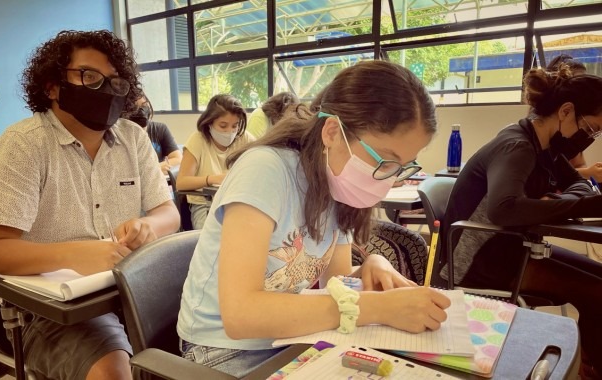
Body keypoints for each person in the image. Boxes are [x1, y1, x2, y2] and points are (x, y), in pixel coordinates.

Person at [177, 61, 449, 378]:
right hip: (224, 351)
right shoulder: (265, 170)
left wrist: (371, 267)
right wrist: (378, 307)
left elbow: (338, 283)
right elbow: (241, 314)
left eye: (401, 166)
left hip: (291, 337)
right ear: (332, 132)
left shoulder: (334, 181)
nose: (388, 179)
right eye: (384, 161)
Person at [0, 30, 180, 380]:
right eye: (88, 76)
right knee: (114, 371)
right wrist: (73, 254)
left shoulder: (133, 138)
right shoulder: (23, 146)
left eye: (115, 82)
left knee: (204, 345)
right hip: (52, 312)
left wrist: (150, 226)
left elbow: (169, 214)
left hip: (134, 290)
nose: (103, 89)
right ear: (52, 86)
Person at [442, 64, 602, 377]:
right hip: (479, 262)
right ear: (566, 111)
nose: (591, 138)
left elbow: (580, 186)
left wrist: (559, 202)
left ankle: (590, 367)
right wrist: (574, 205)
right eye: (592, 128)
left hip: (514, 248)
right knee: (597, 292)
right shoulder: (518, 146)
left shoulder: (546, 149)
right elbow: (503, 210)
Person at [175, 94, 254, 229]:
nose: (230, 131)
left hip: (237, 202)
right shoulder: (198, 140)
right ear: (209, 122)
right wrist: (213, 179)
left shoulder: (244, 138)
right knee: (213, 242)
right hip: (205, 205)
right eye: (223, 126)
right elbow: (181, 183)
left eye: (235, 125)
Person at [545, 54, 602, 182]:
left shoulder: (575, 135)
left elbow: (579, 163)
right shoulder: (544, 135)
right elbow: (545, 176)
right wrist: (587, 173)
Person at [127, 94, 182, 174]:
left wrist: (156, 168)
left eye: (144, 105)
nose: (141, 110)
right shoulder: (121, 135)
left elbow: (178, 158)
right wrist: (155, 169)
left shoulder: (160, 129)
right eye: (135, 107)